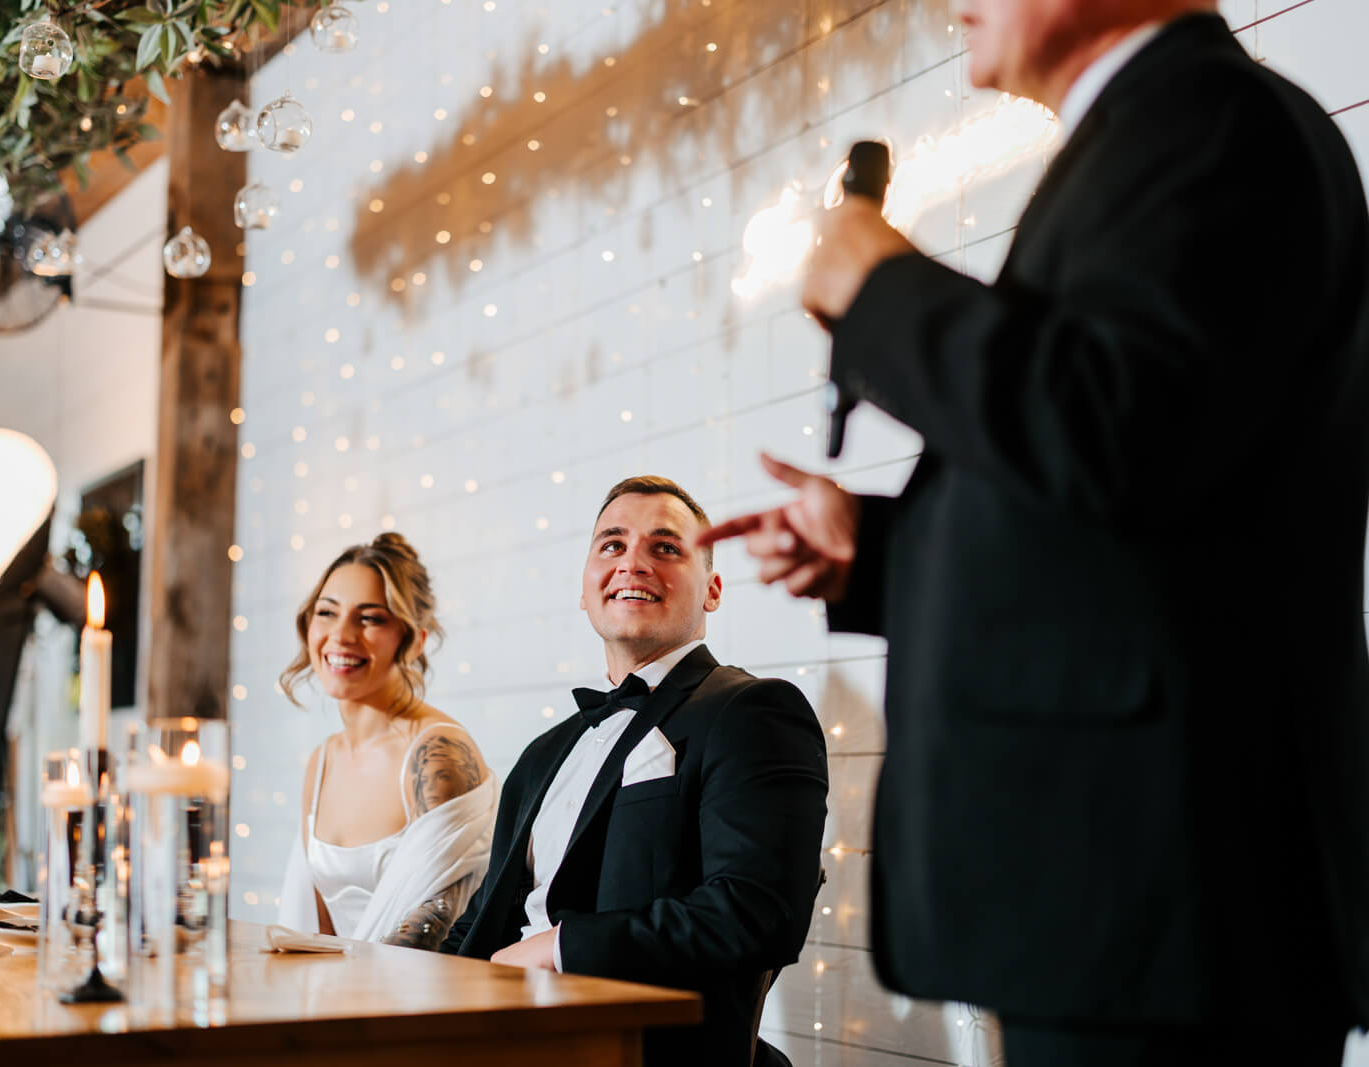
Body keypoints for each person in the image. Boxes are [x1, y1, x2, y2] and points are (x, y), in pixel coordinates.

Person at [698, 1, 1369, 1063]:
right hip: (1121, 908)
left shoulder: (1212, 121)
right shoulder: (1149, 132)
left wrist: (883, 287)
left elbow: (1116, 424)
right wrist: (876, 552)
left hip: (1169, 895)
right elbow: (1117, 508)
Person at [440, 476, 828, 1066]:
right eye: (612, 545)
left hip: (634, 1047)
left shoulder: (750, 710)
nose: (634, 563)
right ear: (585, 587)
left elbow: (757, 912)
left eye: (667, 548)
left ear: (713, 589)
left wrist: (561, 948)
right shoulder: (546, 751)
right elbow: (485, 914)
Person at [275, 533, 499, 949]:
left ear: (413, 640)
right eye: (327, 612)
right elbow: (316, 935)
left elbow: (433, 937)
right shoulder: (321, 762)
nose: (341, 635)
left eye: (370, 618)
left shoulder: (438, 755)